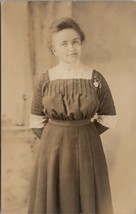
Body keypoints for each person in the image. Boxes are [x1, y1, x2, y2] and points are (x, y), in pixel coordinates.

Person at [27, 17, 116, 214]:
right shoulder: (46, 79)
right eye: (64, 43)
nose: (71, 48)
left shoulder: (95, 78)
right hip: (52, 150)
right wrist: (55, 138)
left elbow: (109, 116)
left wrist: (86, 133)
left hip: (87, 147)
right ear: (54, 49)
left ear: (81, 43)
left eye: (75, 41)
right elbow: (36, 119)